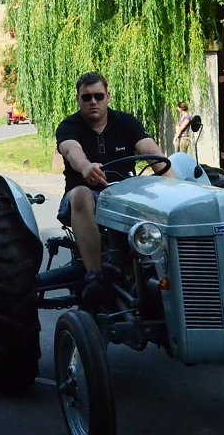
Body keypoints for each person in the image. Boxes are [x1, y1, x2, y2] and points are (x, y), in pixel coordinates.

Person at [56, 71, 173, 309]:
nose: (93, 102)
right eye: (86, 97)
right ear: (78, 99)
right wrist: (86, 167)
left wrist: (174, 184)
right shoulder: (69, 126)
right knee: (81, 194)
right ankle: (95, 277)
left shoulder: (125, 122)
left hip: (124, 195)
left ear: (108, 96)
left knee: (158, 200)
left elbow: (149, 148)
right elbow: (71, 151)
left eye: (98, 96)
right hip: (83, 199)